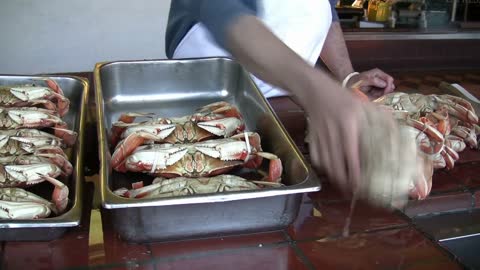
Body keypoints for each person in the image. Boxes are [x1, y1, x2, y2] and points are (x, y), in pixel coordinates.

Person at [164, 0, 410, 202]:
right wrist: (318, 90)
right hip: (206, 107)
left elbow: (321, 11)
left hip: (286, 102)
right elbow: (224, 11)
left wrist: (347, 77)